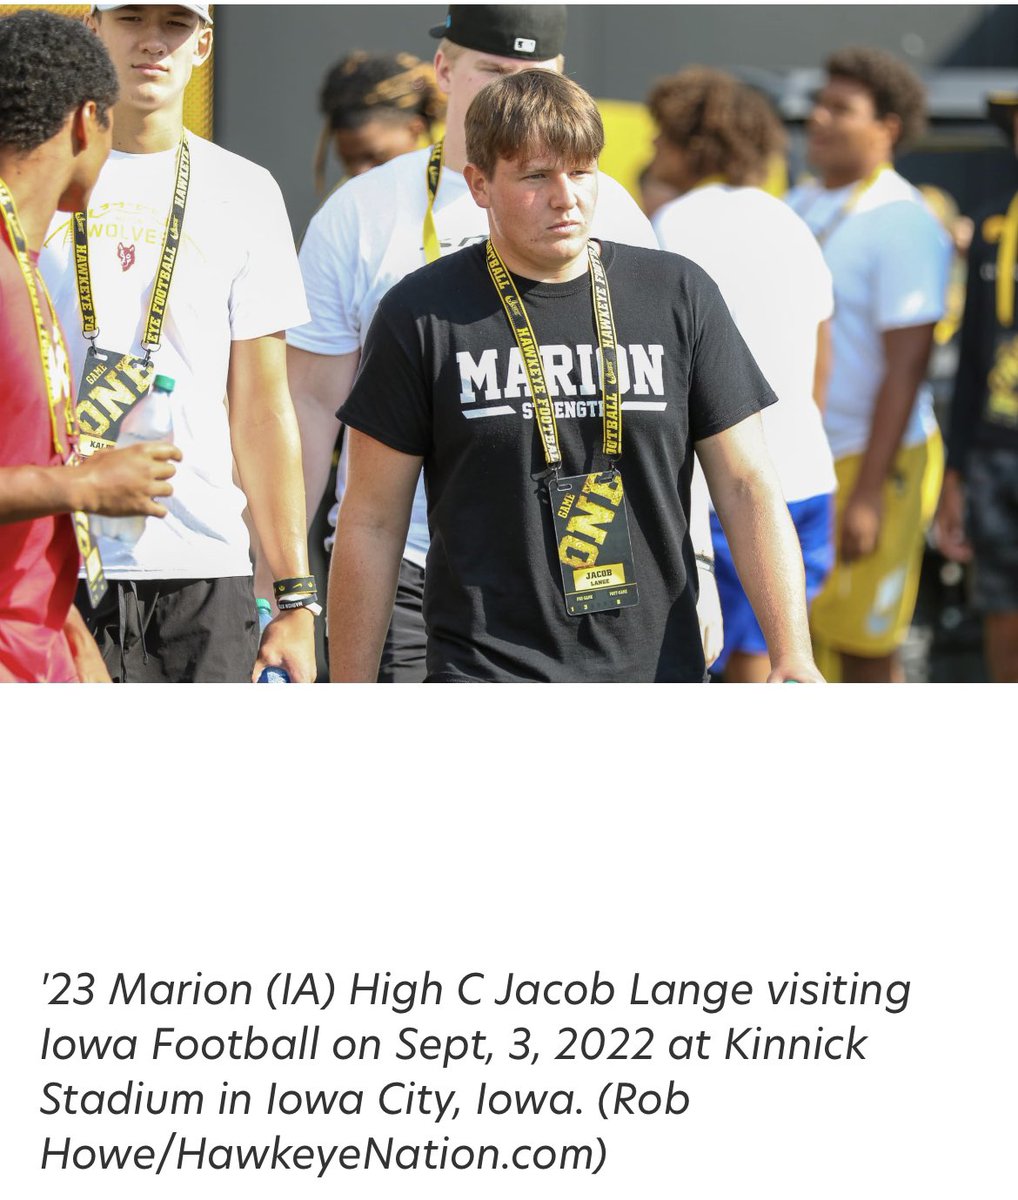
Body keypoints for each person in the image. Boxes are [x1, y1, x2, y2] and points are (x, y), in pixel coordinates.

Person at [328, 70, 823, 684]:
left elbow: (748, 484)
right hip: (487, 671)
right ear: (480, 184)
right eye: (536, 175)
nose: (566, 196)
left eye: (581, 170)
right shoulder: (421, 313)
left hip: (657, 669)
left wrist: (792, 652)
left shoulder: (677, 294)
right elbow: (372, 519)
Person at [288, 4, 679, 684]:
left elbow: (672, 410)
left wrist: (694, 556)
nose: (512, 93)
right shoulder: (360, 213)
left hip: (586, 560)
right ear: (444, 68)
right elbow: (308, 412)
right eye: (492, 71)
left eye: (533, 74)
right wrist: (284, 581)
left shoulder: (607, 206)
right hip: (407, 567)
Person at [39, 2, 316, 683]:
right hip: (52, 563)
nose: (154, 43)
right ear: (94, 29)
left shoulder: (246, 190)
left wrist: (295, 595)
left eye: (176, 24)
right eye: (133, 18)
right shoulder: (34, 176)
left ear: (204, 46)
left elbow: (263, 407)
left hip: (202, 569)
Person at [1, 8, 181, 684]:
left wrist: (69, 636)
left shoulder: (23, 261)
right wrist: (85, 484)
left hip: (39, 650)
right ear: (86, 122)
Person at [649, 68, 837, 682]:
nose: (652, 152)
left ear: (692, 143)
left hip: (724, 494)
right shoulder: (791, 220)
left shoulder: (672, 225)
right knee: (771, 669)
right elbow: (821, 360)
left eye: (662, 137)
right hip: (806, 477)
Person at [787, 47, 951, 684]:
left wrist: (867, 495)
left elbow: (908, 367)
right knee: (803, 644)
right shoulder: (799, 200)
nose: (819, 119)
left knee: (864, 649)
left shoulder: (904, 221)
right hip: (807, 457)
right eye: (820, 104)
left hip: (872, 460)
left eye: (841, 108)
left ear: (888, 127)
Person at [934, 92, 1018, 682]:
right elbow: (968, 367)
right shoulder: (994, 225)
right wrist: (955, 477)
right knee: (1003, 616)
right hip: (995, 455)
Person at [313, 51, 445, 192]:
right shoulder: (346, 201)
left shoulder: (460, 176)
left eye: (374, 157)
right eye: (347, 161)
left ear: (415, 130)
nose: (359, 174)